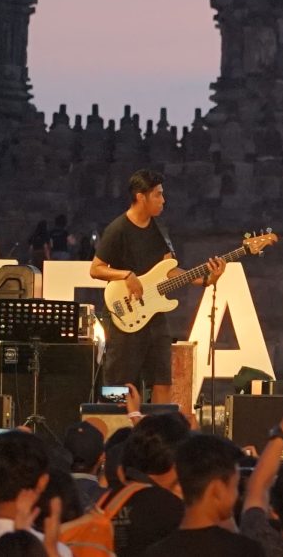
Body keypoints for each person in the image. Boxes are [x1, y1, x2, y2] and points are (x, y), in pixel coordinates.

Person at [93, 171, 222, 408]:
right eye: (158, 195)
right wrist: (126, 275)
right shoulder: (118, 229)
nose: (163, 200)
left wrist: (206, 279)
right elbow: (96, 269)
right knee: (120, 385)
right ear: (141, 197)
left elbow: (170, 271)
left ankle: (159, 432)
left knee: (163, 381)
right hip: (125, 315)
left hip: (154, 315)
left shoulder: (159, 230)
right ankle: (118, 434)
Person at [136, 436, 252, 557]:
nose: (237, 495)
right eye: (234, 486)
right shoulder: (244, 550)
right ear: (217, 489)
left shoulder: (155, 552)